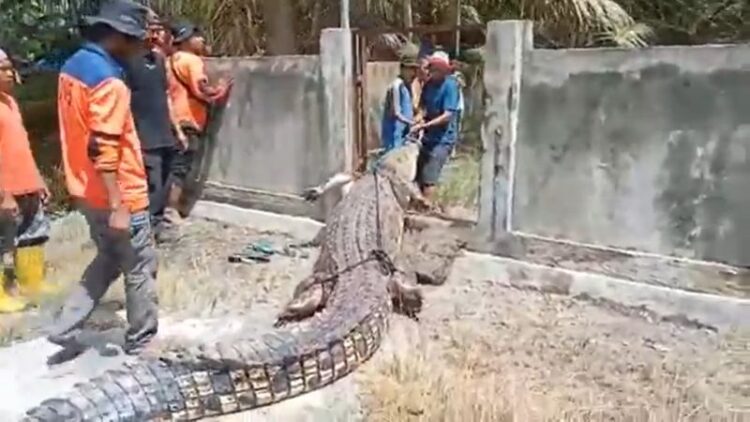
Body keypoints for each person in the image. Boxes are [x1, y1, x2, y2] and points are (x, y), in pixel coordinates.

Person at [47, 0, 158, 355]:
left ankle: (64, 325)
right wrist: (119, 205)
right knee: (140, 266)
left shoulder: (73, 67)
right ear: (118, 36)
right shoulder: (109, 82)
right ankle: (143, 342)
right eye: (136, 39)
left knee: (108, 258)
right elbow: (104, 147)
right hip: (118, 195)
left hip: (85, 190)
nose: (141, 47)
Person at [0, 48, 57, 313]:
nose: (9, 73)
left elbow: (22, 145)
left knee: (33, 235)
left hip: (26, 183)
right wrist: (4, 194)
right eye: (3, 68)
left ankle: (31, 283)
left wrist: (38, 180)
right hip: (6, 189)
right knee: (3, 242)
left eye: (10, 67)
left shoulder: (10, 103)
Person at [124, 12, 185, 241]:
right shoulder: (127, 62)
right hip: (143, 135)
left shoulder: (159, 60)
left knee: (166, 181)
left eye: (158, 30)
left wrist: (177, 129)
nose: (156, 34)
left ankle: (158, 226)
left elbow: (167, 96)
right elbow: (123, 100)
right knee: (153, 183)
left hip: (164, 133)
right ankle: (146, 229)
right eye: (151, 29)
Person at [165, 20, 231, 224]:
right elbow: (202, 90)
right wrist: (222, 88)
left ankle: (167, 208)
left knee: (172, 166)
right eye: (196, 36)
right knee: (181, 168)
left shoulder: (170, 60)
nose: (201, 39)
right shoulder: (191, 61)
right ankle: (171, 211)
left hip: (173, 118)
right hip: (188, 120)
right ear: (185, 41)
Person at [409, 51, 460, 204]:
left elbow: (447, 115)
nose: (433, 72)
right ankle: (418, 207)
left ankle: (427, 209)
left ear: (444, 70)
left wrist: (425, 125)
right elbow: (423, 107)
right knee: (417, 174)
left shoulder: (450, 86)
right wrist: (417, 119)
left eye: (436, 69)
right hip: (428, 138)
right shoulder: (429, 85)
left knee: (429, 177)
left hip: (442, 140)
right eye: (432, 68)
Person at [380, 51, 419, 153]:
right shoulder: (396, 85)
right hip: (394, 135)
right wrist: (412, 123)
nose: (413, 73)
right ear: (402, 68)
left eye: (415, 69)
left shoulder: (408, 86)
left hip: (405, 135)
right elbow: (396, 112)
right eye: (410, 69)